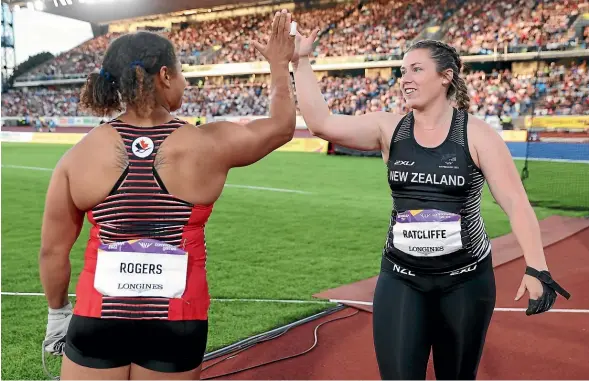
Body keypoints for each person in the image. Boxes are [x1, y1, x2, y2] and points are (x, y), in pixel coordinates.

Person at [291, 34, 570, 380]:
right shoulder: (388, 128)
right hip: (401, 277)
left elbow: (515, 202)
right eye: (402, 70)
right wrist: (300, 61)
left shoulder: (477, 135)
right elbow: (322, 124)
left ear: (446, 76)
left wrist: (537, 268)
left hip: (466, 282)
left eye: (416, 69)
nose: (404, 79)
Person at [39, 9, 296, 380]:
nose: (186, 83)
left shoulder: (78, 156)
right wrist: (278, 64)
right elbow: (280, 127)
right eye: (182, 73)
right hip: (177, 319)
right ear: (164, 76)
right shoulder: (208, 144)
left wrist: (58, 313)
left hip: (98, 317)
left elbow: (52, 251)